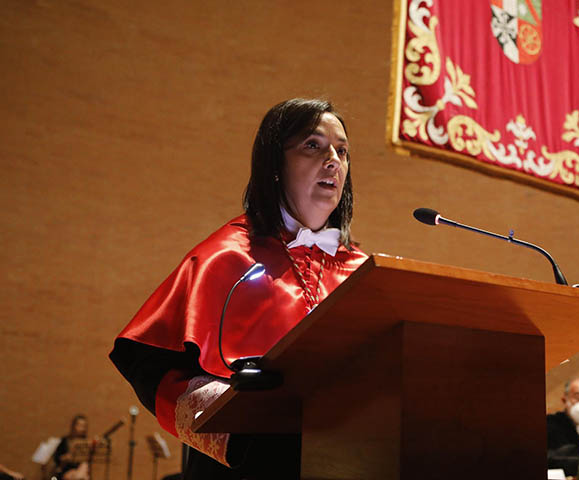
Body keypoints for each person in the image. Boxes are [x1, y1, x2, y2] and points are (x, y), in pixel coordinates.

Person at [109, 99, 367, 480]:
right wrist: (239, 428)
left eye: (342, 151)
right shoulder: (226, 256)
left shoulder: (361, 271)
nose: (333, 160)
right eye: (313, 145)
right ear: (274, 166)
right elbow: (147, 363)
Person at [52, 415, 92, 480]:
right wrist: (65, 458)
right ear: (73, 426)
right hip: (66, 470)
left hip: (81, 470)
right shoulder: (64, 441)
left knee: (84, 467)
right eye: (80, 426)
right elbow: (57, 459)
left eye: (84, 426)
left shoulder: (86, 442)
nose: (83, 429)